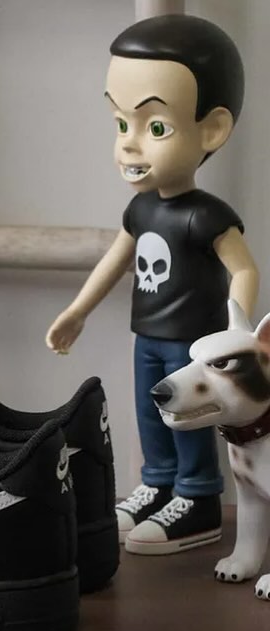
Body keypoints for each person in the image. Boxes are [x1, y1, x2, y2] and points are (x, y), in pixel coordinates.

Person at [46, 15, 259, 554]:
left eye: (155, 127)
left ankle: (198, 497)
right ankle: (158, 483)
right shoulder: (141, 209)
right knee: (151, 414)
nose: (129, 145)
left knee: (189, 415)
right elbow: (115, 261)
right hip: (147, 335)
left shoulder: (205, 216)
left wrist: (236, 331)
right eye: (122, 124)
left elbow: (245, 269)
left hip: (193, 343)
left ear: (211, 130)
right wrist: (77, 311)